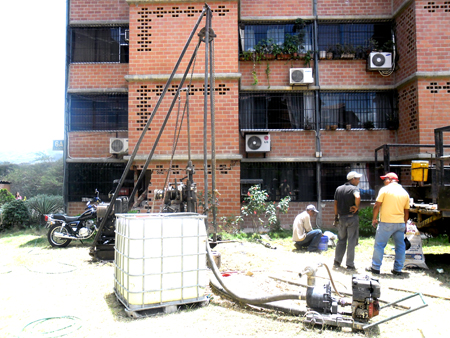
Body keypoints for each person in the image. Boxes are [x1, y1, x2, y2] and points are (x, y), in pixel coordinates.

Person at [366, 172, 410, 276]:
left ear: (390, 179)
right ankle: (398, 269)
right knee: (400, 247)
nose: (384, 181)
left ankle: (375, 268)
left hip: (386, 223)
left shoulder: (385, 190)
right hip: (400, 223)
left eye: (385, 179)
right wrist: (405, 223)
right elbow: (406, 211)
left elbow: (377, 205)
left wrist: (374, 218)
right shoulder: (404, 193)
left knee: (379, 245)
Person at [333, 171, 362, 270]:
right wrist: (356, 207)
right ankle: (350, 264)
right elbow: (357, 196)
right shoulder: (354, 189)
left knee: (341, 240)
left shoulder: (339, 189)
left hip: (341, 217)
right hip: (352, 218)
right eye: (357, 179)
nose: (359, 180)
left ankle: (337, 261)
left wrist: (336, 216)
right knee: (351, 241)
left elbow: (335, 204)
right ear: (353, 179)